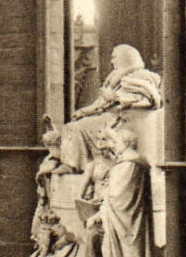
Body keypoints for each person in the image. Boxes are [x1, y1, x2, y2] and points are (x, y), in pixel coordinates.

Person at [48, 44, 163, 177]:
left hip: (124, 118)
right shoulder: (114, 77)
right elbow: (101, 103)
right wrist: (84, 112)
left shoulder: (142, 76)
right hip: (110, 115)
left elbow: (150, 98)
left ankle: (72, 165)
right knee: (74, 125)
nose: (112, 61)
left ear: (125, 58)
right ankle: (74, 163)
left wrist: (116, 97)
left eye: (115, 58)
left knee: (75, 128)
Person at [87, 124, 162, 257]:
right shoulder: (126, 162)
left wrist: (103, 204)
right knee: (107, 250)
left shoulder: (131, 163)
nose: (115, 145)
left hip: (127, 221)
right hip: (117, 218)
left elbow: (119, 195)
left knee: (125, 253)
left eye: (117, 142)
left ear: (127, 143)